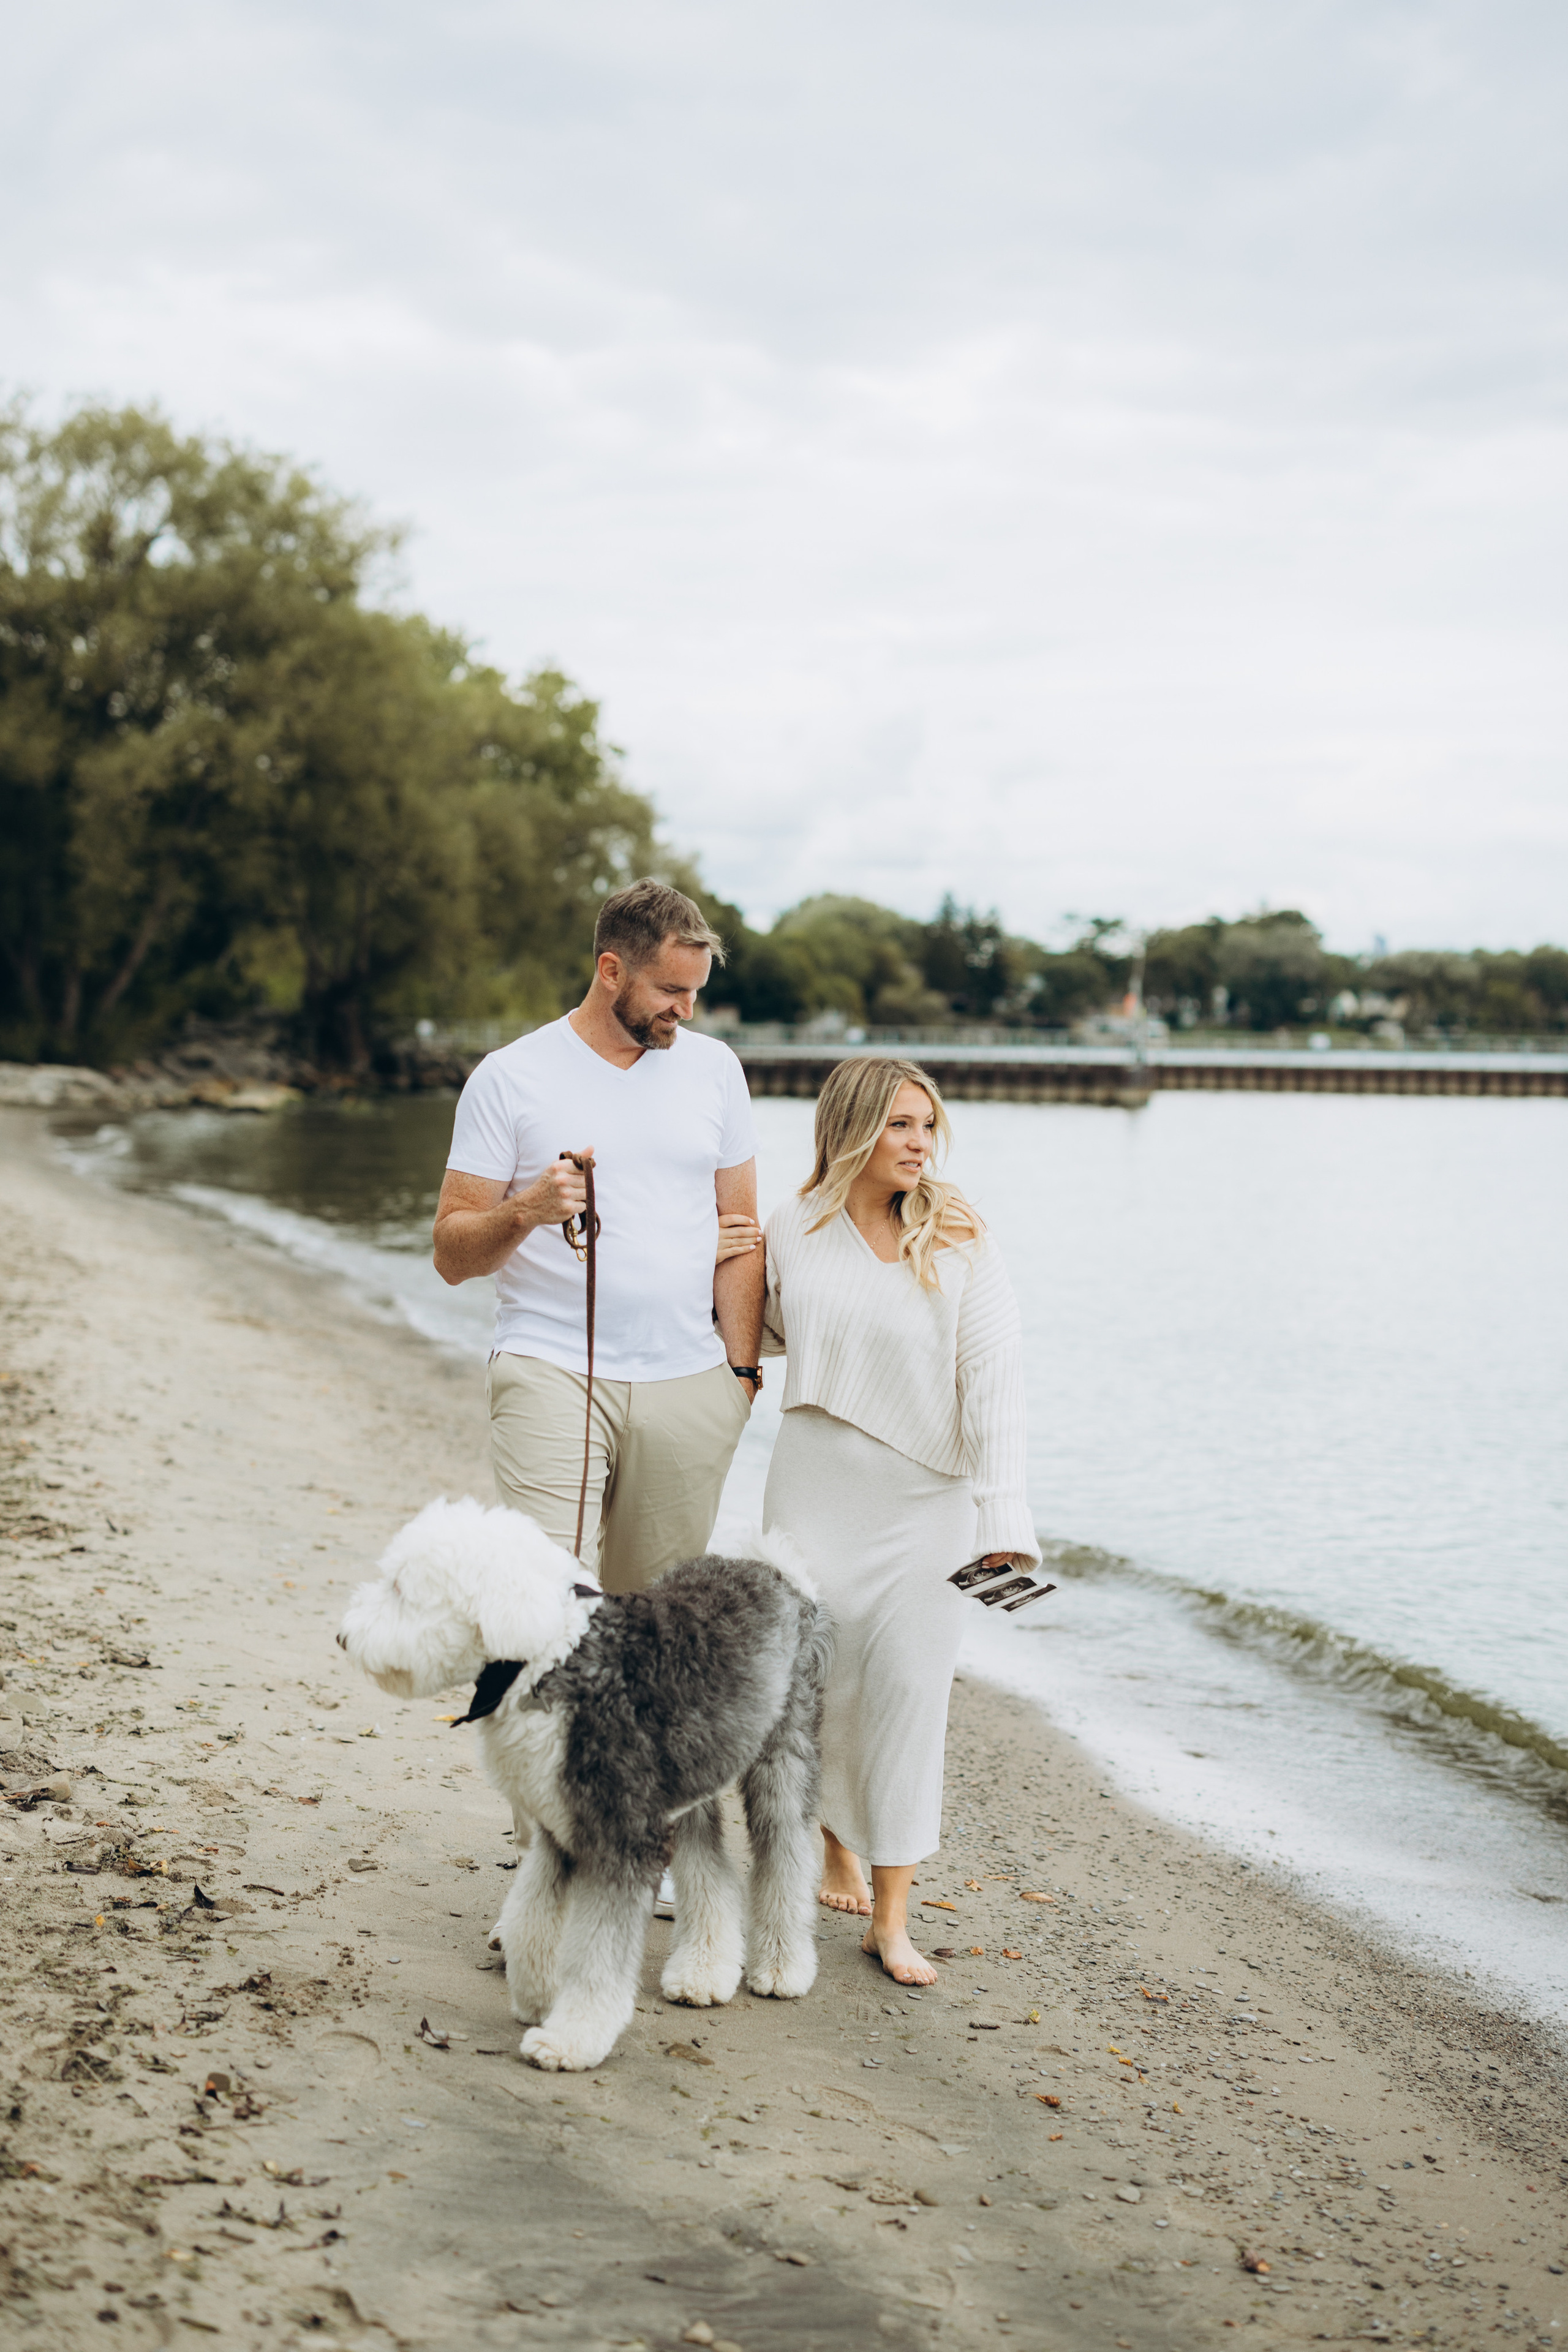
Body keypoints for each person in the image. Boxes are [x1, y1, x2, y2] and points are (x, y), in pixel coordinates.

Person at [760, 1057, 1038, 1986]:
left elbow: (996, 1385)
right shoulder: (794, 1227)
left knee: (913, 1693)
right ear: (851, 1130)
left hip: (929, 1502)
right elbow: (752, 1330)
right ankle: (832, 1841)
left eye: (929, 1126)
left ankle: (891, 1919)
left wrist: (1007, 1523)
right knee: (820, 1682)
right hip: (814, 1485)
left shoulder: (962, 1237)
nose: (920, 1144)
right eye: (900, 1126)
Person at [432, 880, 765, 1593]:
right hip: (552, 1368)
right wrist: (525, 1210)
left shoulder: (716, 1072)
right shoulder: (509, 1078)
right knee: (548, 1601)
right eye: (670, 990)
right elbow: (451, 1255)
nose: (685, 1010)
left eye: (696, 992)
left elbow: (743, 1237)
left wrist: (738, 1376)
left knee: (653, 1623)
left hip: (689, 1384)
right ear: (611, 970)